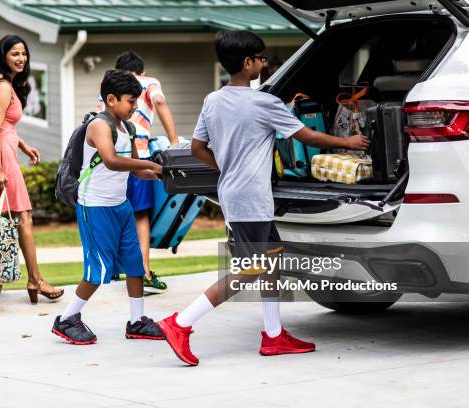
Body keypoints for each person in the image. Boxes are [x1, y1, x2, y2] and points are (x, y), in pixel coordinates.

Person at [157, 30, 370, 366]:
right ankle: (180, 323)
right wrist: (350, 143)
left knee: (270, 262)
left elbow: (198, 148)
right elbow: (308, 135)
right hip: (251, 198)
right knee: (252, 267)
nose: (264, 63)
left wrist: (226, 168)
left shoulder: (213, 100)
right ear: (247, 63)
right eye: (260, 58)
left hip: (235, 193)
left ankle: (273, 336)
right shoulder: (264, 103)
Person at [51, 69, 165, 344]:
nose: (135, 106)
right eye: (130, 101)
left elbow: (136, 172)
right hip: (95, 207)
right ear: (111, 99)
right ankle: (66, 319)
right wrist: (149, 164)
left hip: (120, 206)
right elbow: (112, 161)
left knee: (135, 264)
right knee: (98, 269)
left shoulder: (130, 128)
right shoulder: (99, 126)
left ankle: (137, 321)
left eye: (137, 101)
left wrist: (162, 174)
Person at [0, 35, 63, 304]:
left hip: (3, 149)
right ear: (3, 56)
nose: (21, 58)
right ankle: (35, 280)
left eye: (24, 54)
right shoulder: (4, 87)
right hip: (2, 156)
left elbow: (1, 126)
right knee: (23, 218)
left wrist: (24, 145)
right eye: (15, 54)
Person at [97, 51, 179, 292]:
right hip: (138, 158)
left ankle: (111, 268)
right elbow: (160, 101)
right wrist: (174, 141)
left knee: (114, 211)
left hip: (110, 162)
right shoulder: (150, 83)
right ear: (141, 72)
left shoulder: (107, 91)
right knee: (140, 216)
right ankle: (143, 270)